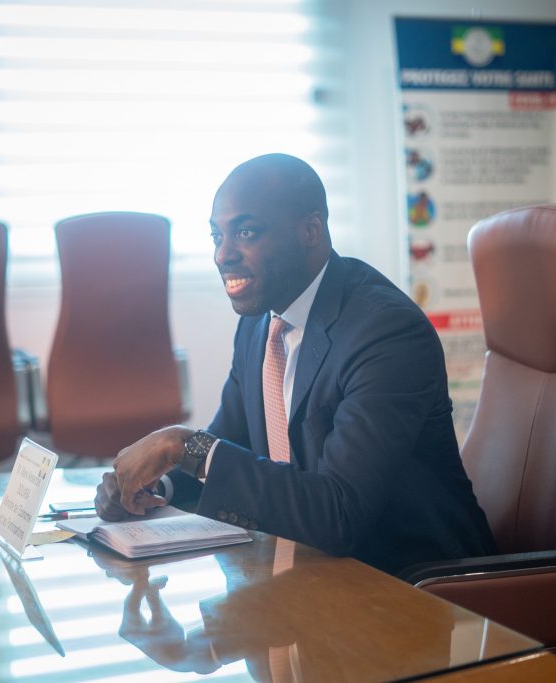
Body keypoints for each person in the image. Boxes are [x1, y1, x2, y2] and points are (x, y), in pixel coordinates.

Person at [95, 153, 495, 575]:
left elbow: (340, 512)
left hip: (417, 589)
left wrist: (182, 445)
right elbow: (230, 444)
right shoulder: (259, 325)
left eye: (246, 232)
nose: (223, 255)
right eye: (217, 236)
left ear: (311, 230)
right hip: (311, 574)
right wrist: (156, 484)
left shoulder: (386, 332)